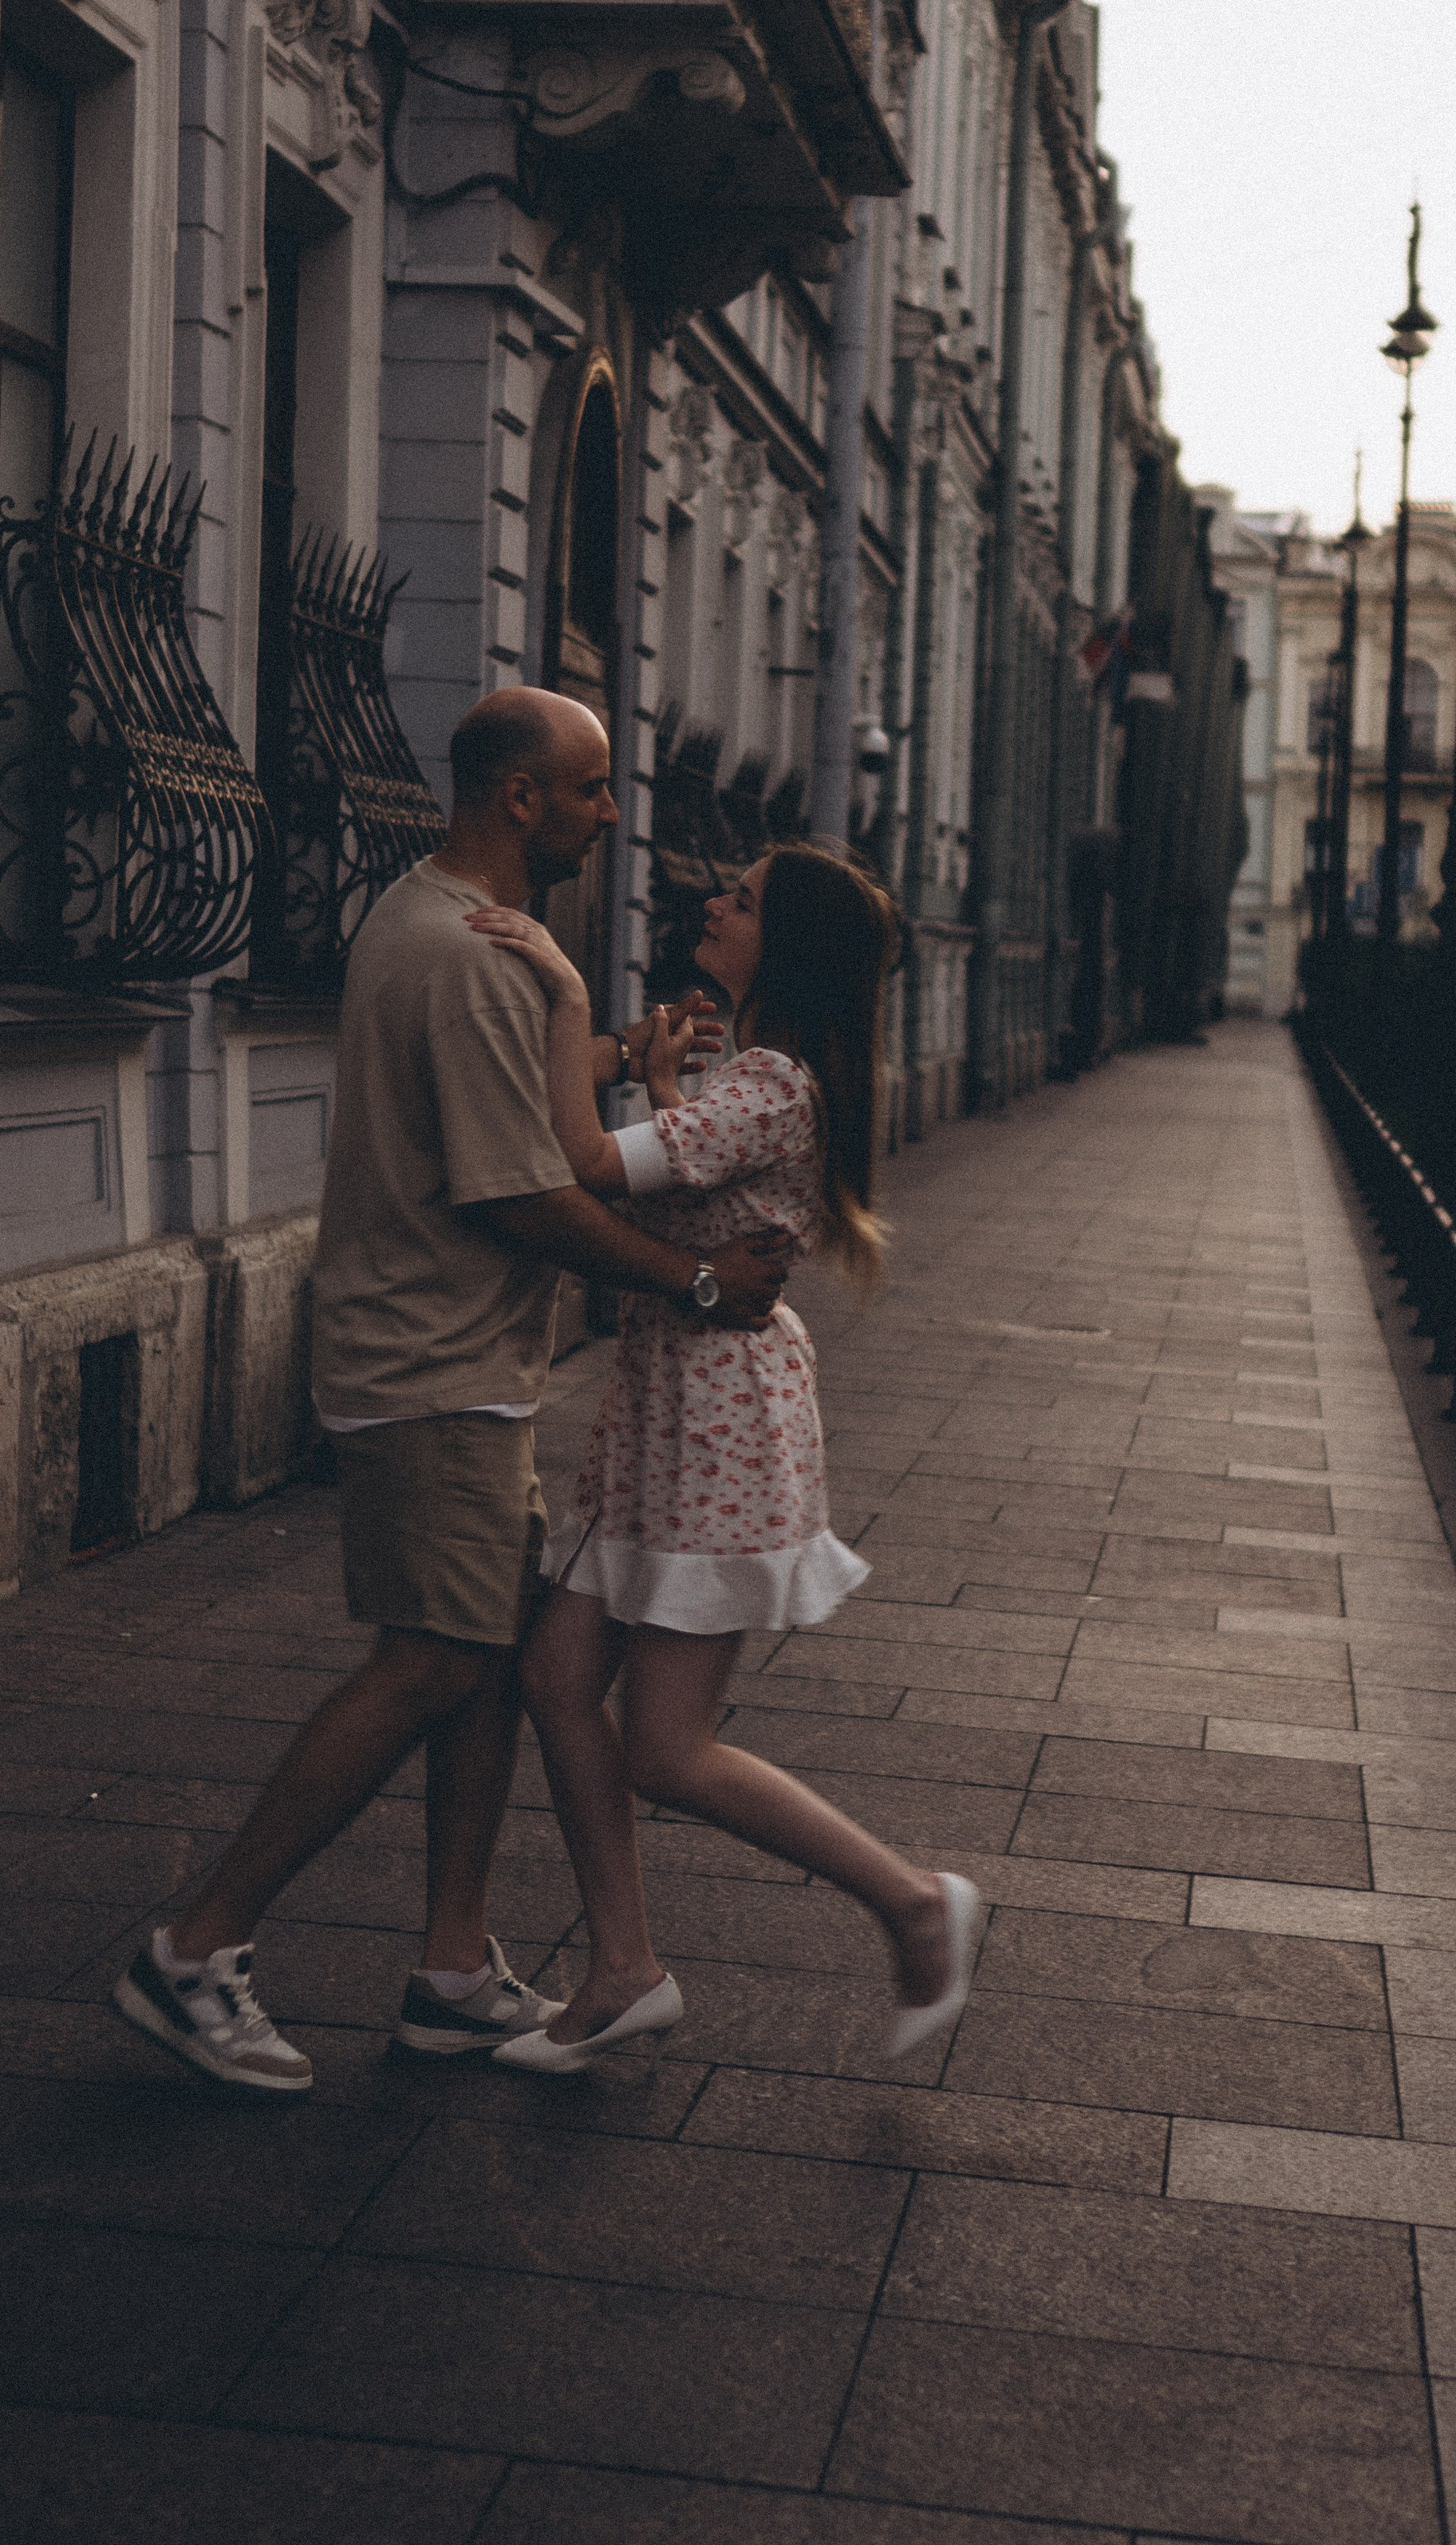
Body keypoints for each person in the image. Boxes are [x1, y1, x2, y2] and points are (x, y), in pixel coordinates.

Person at [112, 687, 789, 2092]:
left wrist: (597, 1043)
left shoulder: (437, 924)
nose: (613, 813)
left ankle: (450, 1967)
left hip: (447, 1356)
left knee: (487, 1648)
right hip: (432, 1362)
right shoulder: (484, 959)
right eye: (593, 788)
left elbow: (493, 1109)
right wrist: (696, 1284)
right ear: (519, 799)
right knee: (430, 1660)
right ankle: (196, 1946)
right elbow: (522, 1194)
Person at [463, 844, 982, 2073]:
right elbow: (662, 1181)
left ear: (780, 946)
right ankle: (625, 1969)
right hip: (665, 1405)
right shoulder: (749, 1077)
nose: (713, 904)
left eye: (741, 901)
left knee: (667, 1747)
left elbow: (592, 1171)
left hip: (717, 1420)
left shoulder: (772, 1086)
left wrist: (574, 1009)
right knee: (552, 1676)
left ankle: (915, 1905)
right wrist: (643, 1078)